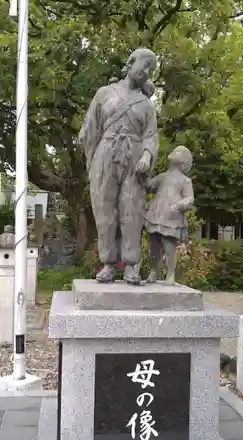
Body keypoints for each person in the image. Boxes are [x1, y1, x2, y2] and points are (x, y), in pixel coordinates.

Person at [79, 48, 158, 284]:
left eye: (150, 70)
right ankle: (108, 264)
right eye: (144, 66)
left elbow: (151, 136)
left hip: (134, 160)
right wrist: (92, 162)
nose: (146, 73)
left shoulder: (146, 104)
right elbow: (89, 129)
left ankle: (132, 265)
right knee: (104, 210)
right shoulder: (104, 94)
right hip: (106, 154)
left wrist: (146, 155)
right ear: (131, 62)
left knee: (132, 210)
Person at [145, 145, 194, 285]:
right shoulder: (163, 177)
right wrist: (145, 171)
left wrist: (178, 206)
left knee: (169, 245)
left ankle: (170, 274)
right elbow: (149, 185)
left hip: (171, 216)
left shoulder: (185, 181)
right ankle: (154, 271)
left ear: (184, 163)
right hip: (156, 213)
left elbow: (190, 198)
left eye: (178, 152)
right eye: (173, 150)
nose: (173, 152)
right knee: (154, 245)